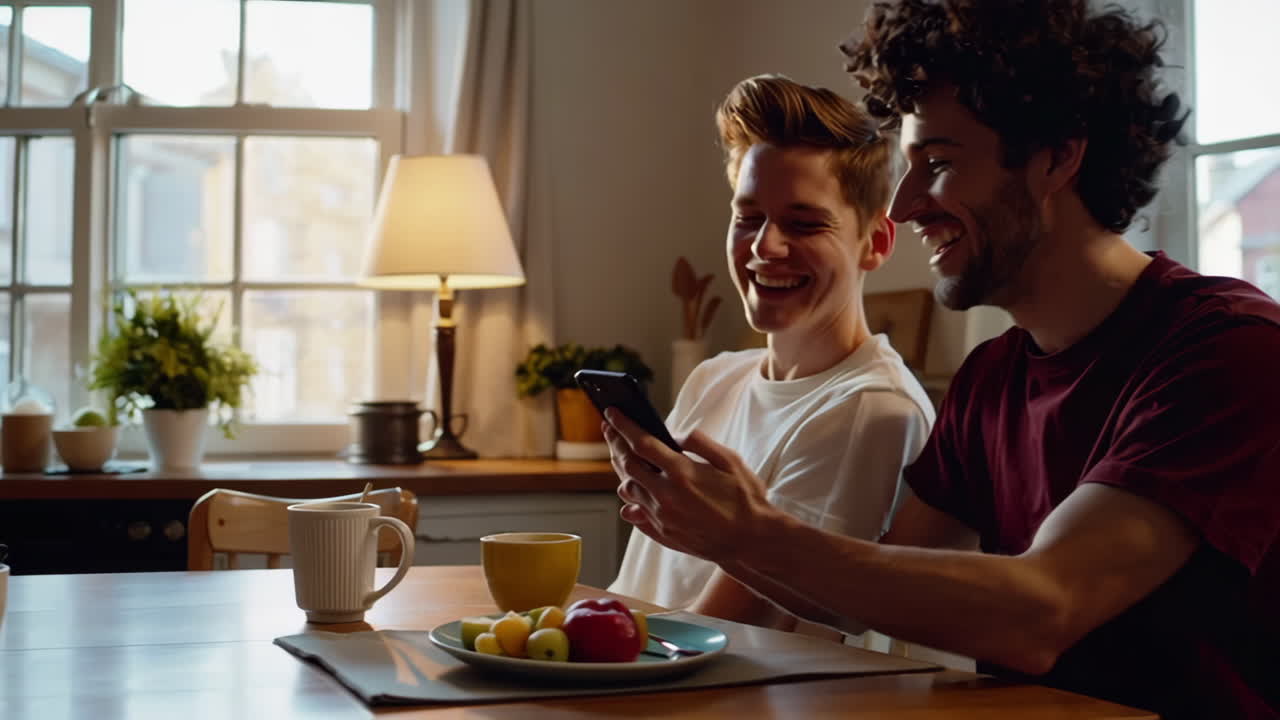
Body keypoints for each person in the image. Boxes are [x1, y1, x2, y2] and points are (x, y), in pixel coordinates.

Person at [601, 2, 1280, 718]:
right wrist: (718, 532)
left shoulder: (1229, 350)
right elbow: (861, 593)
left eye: (940, 163)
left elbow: (1040, 612)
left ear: (1057, 156)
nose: (905, 201)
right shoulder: (991, 378)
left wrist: (749, 533)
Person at [607, 74, 935, 639]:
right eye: (748, 217)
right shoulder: (714, 379)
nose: (765, 247)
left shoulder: (870, 411)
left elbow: (733, 637)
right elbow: (634, 598)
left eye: (804, 223)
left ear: (876, 243)